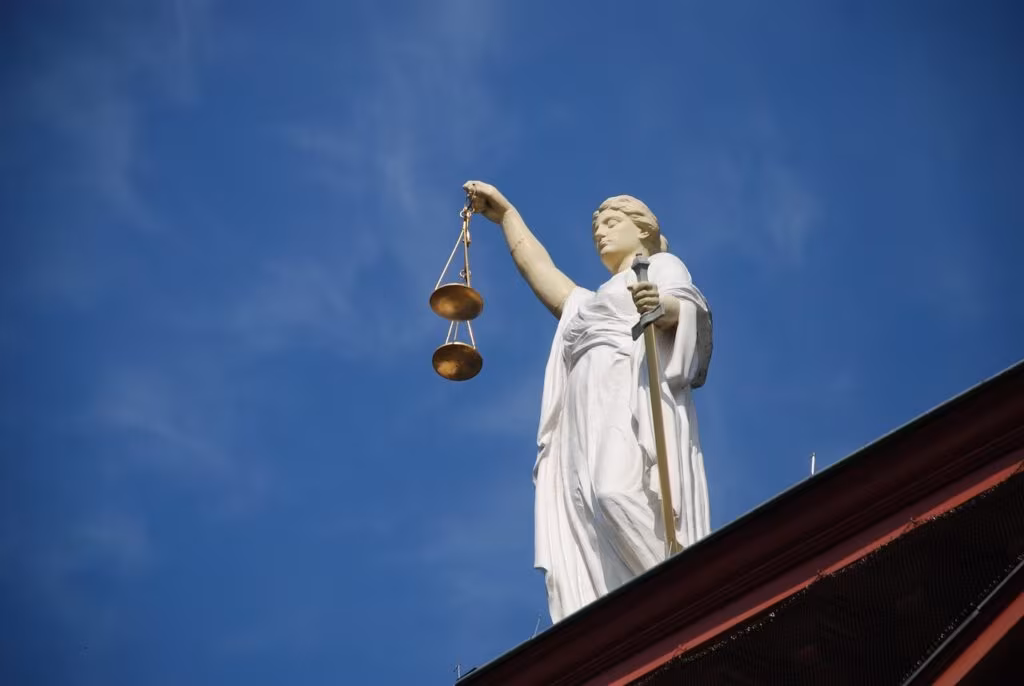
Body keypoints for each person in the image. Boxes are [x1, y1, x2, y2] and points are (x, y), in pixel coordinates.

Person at [464, 180, 713, 622]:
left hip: (626, 393)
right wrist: (506, 216)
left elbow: (690, 308)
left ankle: (681, 593)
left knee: (614, 492)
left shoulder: (658, 266)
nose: (601, 231)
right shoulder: (587, 302)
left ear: (643, 229)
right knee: (587, 509)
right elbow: (541, 270)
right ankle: (625, 611)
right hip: (580, 412)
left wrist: (661, 305)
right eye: (597, 226)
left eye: (612, 222)